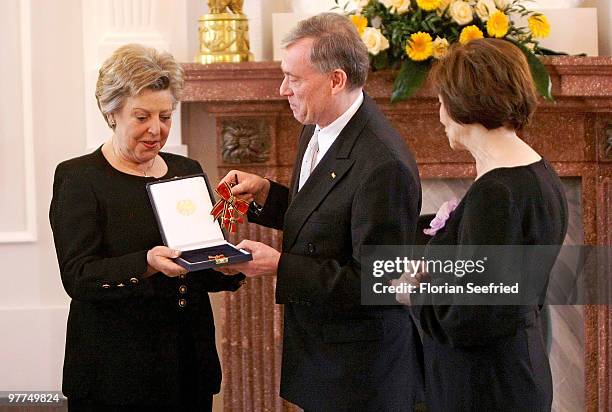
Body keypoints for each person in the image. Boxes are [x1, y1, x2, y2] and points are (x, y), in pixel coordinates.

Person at [219, 12, 424, 411]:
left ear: (335, 80)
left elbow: (377, 284)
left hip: (361, 376)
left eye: (294, 79)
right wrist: (264, 194)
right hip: (323, 360)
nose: (283, 89)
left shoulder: (384, 165)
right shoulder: (317, 124)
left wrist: (280, 265)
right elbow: (325, 214)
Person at [49, 44, 245, 411]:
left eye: (165, 116)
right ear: (111, 113)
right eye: (142, 117)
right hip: (115, 370)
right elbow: (78, 276)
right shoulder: (79, 178)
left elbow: (196, 265)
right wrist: (148, 262)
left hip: (188, 362)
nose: (157, 130)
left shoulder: (186, 169)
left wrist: (226, 266)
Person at [394, 38, 568, 412]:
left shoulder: (497, 192)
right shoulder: (539, 172)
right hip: (512, 371)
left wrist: (413, 293)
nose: (439, 115)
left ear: (465, 103)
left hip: (486, 386)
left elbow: (471, 315)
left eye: (441, 101)